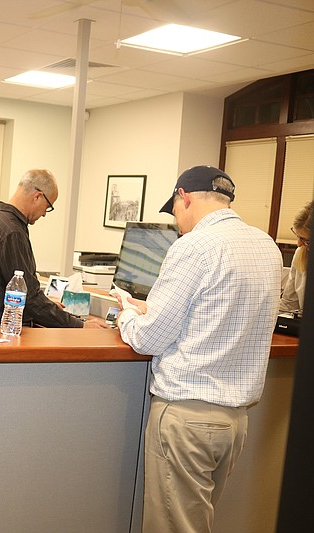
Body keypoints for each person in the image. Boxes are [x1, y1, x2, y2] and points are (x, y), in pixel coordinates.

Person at [114, 166, 282, 533]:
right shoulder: (266, 245)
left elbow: (149, 339)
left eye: (174, 211)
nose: (176, 222)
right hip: (234, 422)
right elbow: (219, 316)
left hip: (186, 417)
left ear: (183, 197)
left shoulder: (193, 246)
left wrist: (127, 315)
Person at [0, 168, 107, 329]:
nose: (45, 214)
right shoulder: (12, 232)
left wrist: (47, 305)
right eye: (48, 206)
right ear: (38, 196)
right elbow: (28, 297)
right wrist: (80, 325)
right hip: (4, 328)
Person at [280, 200, 311, 313]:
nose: (298, 244)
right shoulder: (301, 253)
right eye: (297, 236)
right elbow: (288, 303)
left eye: (305, 240)